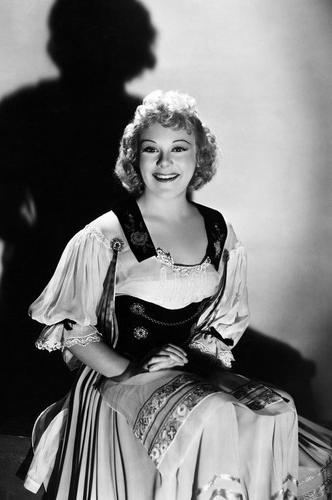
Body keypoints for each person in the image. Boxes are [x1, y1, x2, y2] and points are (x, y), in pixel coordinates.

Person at [24, 91, 332, 499]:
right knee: (214, 414)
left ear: (198, 156)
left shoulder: (219, 231)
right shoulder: (105, 235)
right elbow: (74, 332)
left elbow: (219, 326)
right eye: (151, 149)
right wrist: (132, 370)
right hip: (118, 380)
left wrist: (186, 358)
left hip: (187, 372)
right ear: (135, 158)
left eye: (179, 149)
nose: (165, 162)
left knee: (277, 408)